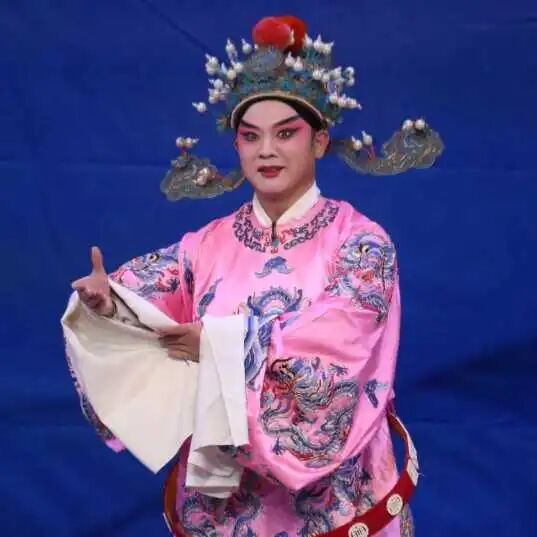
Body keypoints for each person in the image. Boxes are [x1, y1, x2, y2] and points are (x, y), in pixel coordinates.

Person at [63, 15, 443, 537]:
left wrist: (218, 346)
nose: (266, 150)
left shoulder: (361, 243)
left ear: (320, 141)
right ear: (236, 146)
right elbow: (143, 299)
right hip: (223, 511)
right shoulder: (206, 245)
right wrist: (109, 306)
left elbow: (338, 346)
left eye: (286, 133)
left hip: (339, 504)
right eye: (250, 136)